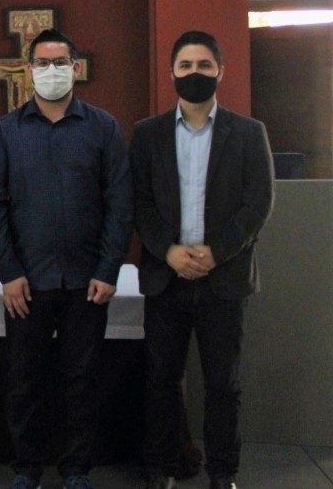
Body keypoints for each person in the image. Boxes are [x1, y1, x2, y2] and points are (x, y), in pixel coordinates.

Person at [0, 29, 132, 489]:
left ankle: (76, 469)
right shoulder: (7, 130)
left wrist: (108, 268)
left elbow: (120, 203)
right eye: (42, 63)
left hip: (87, 281)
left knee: (81, 380)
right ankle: (26, 468)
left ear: (75, 68)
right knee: (24, 380)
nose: (52, 71)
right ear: (29, 71)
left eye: (60, 62)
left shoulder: (102, 127)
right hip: (26, 283)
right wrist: (9, 272)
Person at [133, 31, 274, 489]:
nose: (195, 73)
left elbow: (258, 203)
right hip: (166, 277)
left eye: (204, 65)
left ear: (220, 72)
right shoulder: (147, 134)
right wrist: (168, 251)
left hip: (224, 277)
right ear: (172, 72)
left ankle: (222, 473)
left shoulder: (249, 133)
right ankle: (162, 468)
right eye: (186, 66)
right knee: (161, 381)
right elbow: (139, 202)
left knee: (223, 385)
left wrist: (215, 253)